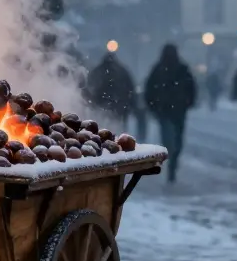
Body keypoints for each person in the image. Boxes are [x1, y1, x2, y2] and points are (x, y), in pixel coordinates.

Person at [143, 44, 196, 182]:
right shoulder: (180, 69)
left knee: (171, 140)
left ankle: (172, 160)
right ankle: (173, 161)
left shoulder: (162, 69)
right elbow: (191, 88)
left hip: (168, 110)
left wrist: (152, 105)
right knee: (176, 140)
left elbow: (149, 89)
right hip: (173, 110)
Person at [83, 51, 137, 129]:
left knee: (102, 126)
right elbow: (130, 88)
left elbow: (90, 87)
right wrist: (131, 104)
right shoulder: (122, 71)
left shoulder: (98, 70)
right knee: (118, 128)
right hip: (119, 106)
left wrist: (92, 103)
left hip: (102, 104)